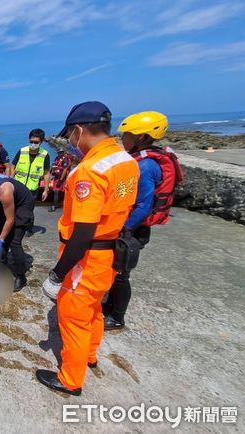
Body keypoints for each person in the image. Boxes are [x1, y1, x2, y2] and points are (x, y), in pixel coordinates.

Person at [37, 101, 140, 396]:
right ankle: (90, 355)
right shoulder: (125, 160)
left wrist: (57, 275)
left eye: (70, 135)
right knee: (94, 307)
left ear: (79, 130)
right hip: (111, 250)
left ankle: (70, 379)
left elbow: (82, 233)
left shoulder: (89, 172)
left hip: (87, 256)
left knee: (72, 316)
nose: (70, 141)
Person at [104, 111, 183, 331]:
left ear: (142, 137)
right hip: (129, 226)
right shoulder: (140, 159)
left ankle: (117, 317)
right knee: (113, 269)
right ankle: (107, 306)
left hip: (133, 230)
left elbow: (143, 206)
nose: (123, 138)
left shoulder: (146, 166)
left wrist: (122, 228)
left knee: (121, 274)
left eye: (127, 134)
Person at [12, 128, 51, 202]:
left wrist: (46, 190)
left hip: (32, 191)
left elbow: (46, 173)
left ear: (41, 142)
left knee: (28, 212)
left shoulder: (45, 155)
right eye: (31, 141)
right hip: (17, 188)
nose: (33, 144)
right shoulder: (22, 151)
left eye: (36, 142)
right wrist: (10, 181)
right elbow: (12, 167)